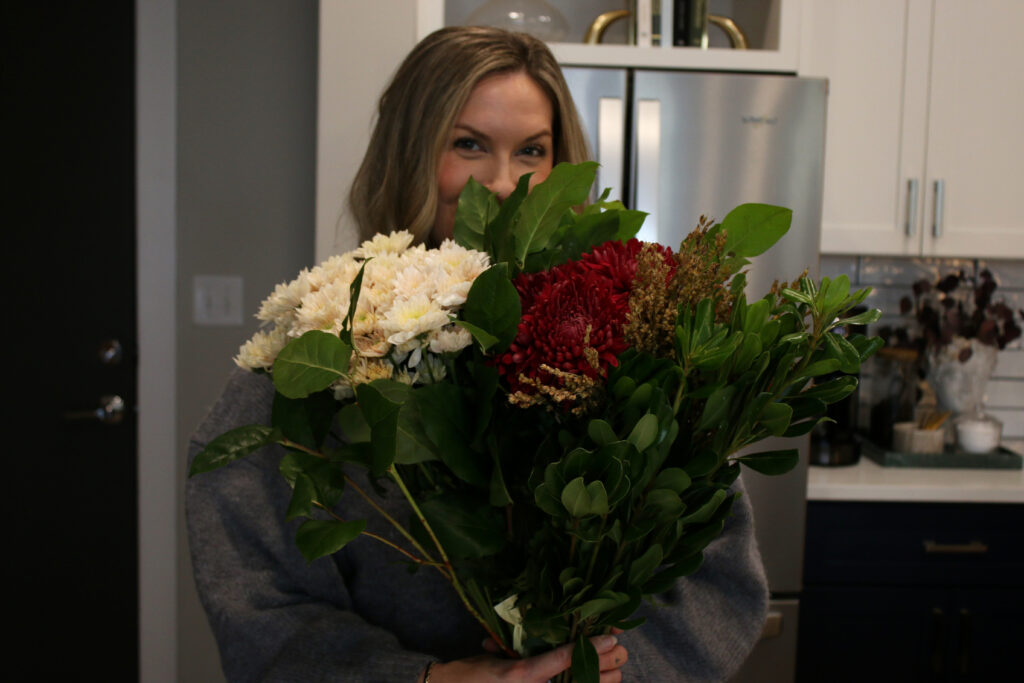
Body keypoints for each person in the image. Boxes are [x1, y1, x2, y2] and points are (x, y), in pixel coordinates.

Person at [187, 26, 769, 683]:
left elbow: (718, 579)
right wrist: (426, 680)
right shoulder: (315, 352)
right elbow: (263, 612)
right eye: (468, 144)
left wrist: (595, 672)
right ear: (409, 154)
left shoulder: (625, 344)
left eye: (532, 151)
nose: (501, 184)